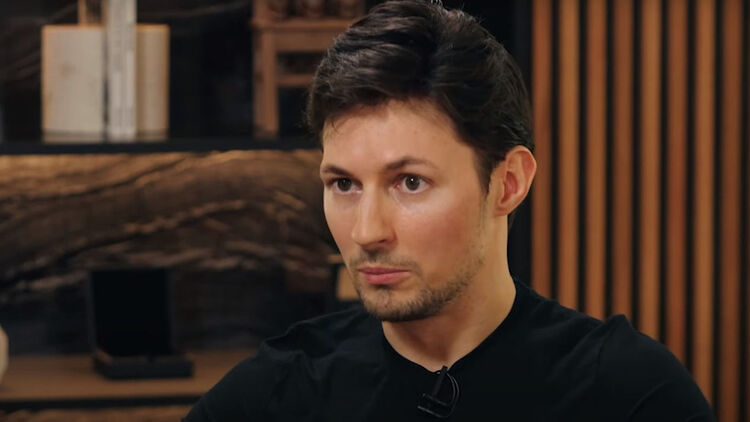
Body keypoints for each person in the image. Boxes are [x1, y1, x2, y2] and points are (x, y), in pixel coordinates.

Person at [184, 1, 713, 420]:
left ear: (508, 183)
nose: (366, 231)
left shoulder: (628, 395)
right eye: (344, 184)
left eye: (410, 182)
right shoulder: (275, 394)